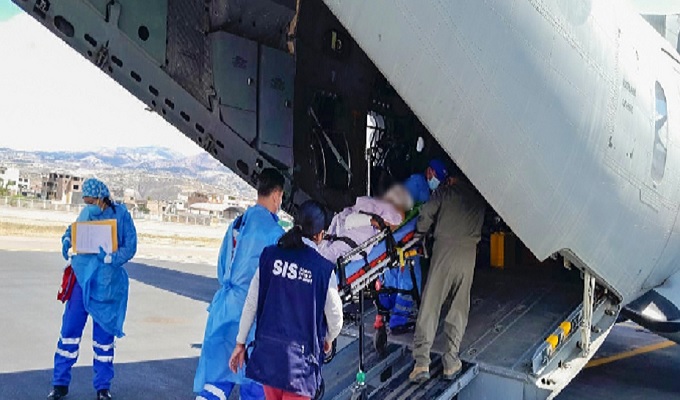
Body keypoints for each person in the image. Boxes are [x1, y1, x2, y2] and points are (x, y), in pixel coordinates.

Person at [229, 200, 344, 400]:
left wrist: (240, 343)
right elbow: (336, 317)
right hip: (299, 366)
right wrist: (328, 339)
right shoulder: (323, 270)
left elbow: (251, 303)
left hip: (268, 358)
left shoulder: (269, 256)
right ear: (320, 234)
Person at [194, 168, 286, 400]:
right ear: (277, 195)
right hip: (253, 319)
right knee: (254, 383)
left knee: (217, 379)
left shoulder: (237, 224)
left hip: (225, 311)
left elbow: (222, 268)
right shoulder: (276, 234)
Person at [49, 178, 138, 400]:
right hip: (82, 281)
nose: (89, 205)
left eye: (91, 201)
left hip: (106, 285)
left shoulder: (121, 216)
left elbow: (130, 246)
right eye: (86, 202)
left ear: (101, 198)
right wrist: (67, 239)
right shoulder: (87, 213)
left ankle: (102, 387)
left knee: (103, 339)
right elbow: (74, 230)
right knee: (69, 332)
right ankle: (59, 384)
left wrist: (111, 258)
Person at [409, 168, 486, 383]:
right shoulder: (480, 197)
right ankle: (451, 362)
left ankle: (421, 363)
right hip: (468, 256)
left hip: (445, 253)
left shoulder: (445, 192)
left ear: (451, 178)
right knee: (459, 309)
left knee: (431, 305)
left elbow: (426, 212)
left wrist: (419, 233)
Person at [317, 184, 413, 263]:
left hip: (363, 226)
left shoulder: (397, 214)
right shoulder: (384, 204)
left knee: (334, 248)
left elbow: (389, 227)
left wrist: (373, 222)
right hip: (351, 216)